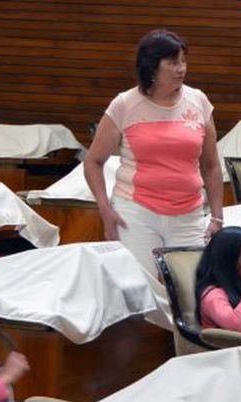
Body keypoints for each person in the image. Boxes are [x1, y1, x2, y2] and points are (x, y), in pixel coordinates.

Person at [84, 29, 224, 273]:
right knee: (143, 290)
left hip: (189, 212)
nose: (181, 68)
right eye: (172, 62)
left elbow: (211, 165)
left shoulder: (199, 101)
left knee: (190, 292)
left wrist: (217, 216)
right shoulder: (124, 104)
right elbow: (93, 162)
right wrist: (105, 208)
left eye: (183, 61)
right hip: (136, 211)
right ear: (151, 67)